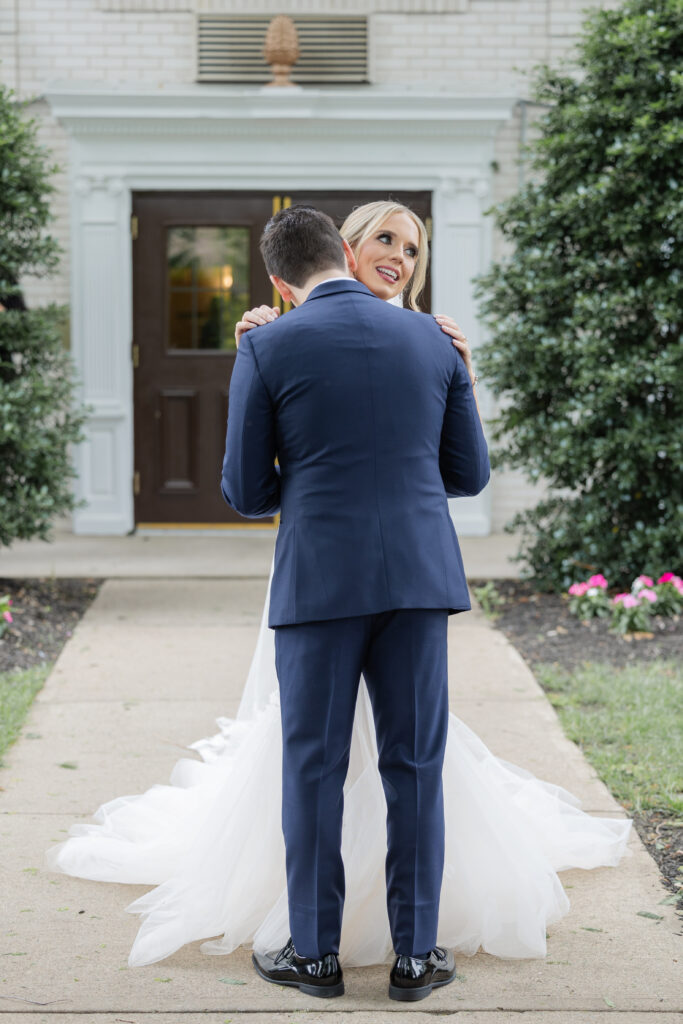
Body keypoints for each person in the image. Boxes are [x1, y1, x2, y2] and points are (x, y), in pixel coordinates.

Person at [46, 201, 632, 992]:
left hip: (320, 580)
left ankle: (314, 954)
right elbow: (467, 475)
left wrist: (314, 474)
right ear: (342, 253)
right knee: (414, 765)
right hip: (420, 580)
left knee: (313, 767)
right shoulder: (435, 340)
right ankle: (417, 957)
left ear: (278, 277)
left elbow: (248, 491)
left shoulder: (265, 344)